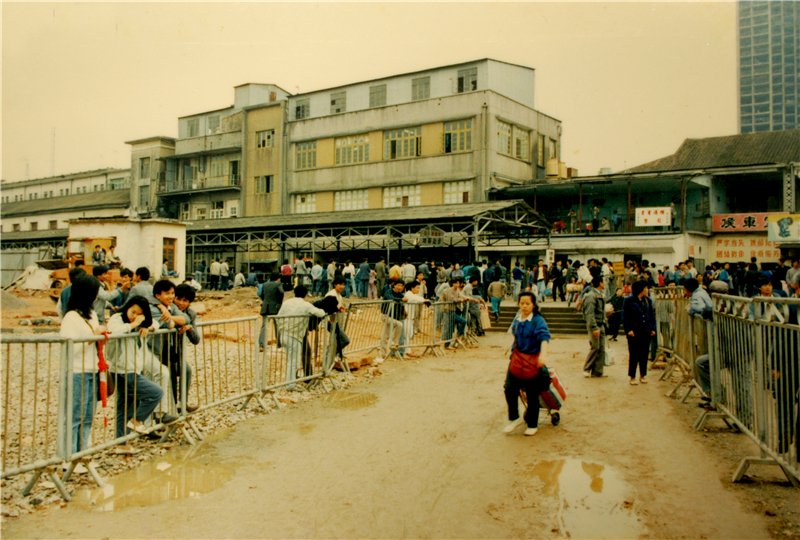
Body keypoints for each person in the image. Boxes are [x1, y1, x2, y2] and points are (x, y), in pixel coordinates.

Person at [106, 296, 164, 447]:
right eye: (133, 311)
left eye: (139, 314)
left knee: (124, 408)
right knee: (156, 392)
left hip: (133, 369)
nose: (134, 316)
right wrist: (134, 324)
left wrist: (148, 327)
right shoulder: (117, 318)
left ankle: (121, 443)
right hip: (122, 370)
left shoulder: (142, 323)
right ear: (127, 307)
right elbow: (113, 331)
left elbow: (156, 323)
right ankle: (137, 421)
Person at [60, 275, 106, 453]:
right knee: (74, 417)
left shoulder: (91, 314)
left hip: (92, 370)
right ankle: (69, 456)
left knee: (87, 417)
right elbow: (69, 348)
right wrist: (93, 336)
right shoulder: (71, 317)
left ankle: (82, 452)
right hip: (77, 372)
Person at [502, 291, 551, 436]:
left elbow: (544, 338)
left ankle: (533, 424)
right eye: (522, 303)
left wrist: (543, 355)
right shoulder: (517, 320)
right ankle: (515, 418)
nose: (524, 306)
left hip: (532, 361)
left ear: (533, 305)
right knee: (509, 388)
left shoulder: (538, 321)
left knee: (532, 394)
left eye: (527, 303)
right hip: (517, 360)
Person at [276, 285, 327, 391]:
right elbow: (320, 313)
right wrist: (325, 312)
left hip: (284, 334)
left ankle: (290, 381)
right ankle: (290, 385)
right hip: (294, 336)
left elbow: (278, 317)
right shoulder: (306, 305)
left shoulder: (286, 303)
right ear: (305, 294)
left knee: (290, 360)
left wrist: (281, 328)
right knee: (293, 362)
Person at [622, 281, 656, 385]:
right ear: (640, 289)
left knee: (644, 354)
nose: (647, 290)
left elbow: (652, 316)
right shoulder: (629, 300)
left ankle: (643, 375)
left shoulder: (648, 301)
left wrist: (653, 328)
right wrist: (628, 329)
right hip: (634, 332)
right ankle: (632, 376)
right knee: (634, 354)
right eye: (646, 288)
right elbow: (625, 316)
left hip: (646, 331)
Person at [582, 276, 608, 378]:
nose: (605, 283)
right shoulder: (591, 296)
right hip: (595, 325)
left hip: (601, 323)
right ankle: (587, 368)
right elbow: (590, 314)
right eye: (604, 281)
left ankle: (598, 371)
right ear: (600, 283)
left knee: (601, 348)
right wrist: (594, 327)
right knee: (595, 347)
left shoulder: (600, 295)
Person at [379, 280, 407, 360]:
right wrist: (401, 300)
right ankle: (394, 342)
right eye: (398, 285)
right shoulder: (388, 292)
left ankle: (383, 353)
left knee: (385, 335)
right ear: (394, 285)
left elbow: (402, 303)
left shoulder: (400, 294)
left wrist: (404, 311)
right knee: (399, 324)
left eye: (401, 286)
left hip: (393, 317)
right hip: (386, 316)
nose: (399, 287)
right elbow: (391, 298)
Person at [259, 273, 285, 350]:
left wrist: (265, 301)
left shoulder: (265, 284)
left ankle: (261, 344)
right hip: (274, 307)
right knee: (277, 325)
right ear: (278, 278)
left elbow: (261, 295)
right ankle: (279, 343)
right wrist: (279, 302)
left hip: (265, 307)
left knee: (264, 326)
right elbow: (281, 292)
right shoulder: (278, 284)